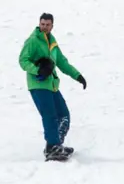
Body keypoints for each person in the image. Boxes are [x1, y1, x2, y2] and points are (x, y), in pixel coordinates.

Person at [18, 13, 86, 161]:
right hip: (38, 84)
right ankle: (52, 146)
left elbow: (61, 62)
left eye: (47, 25)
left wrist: (78, 76)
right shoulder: (33, 41)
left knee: (64, 115)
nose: (44, 27)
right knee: (50, 115)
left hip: (52, 85)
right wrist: (37, 69)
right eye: (42, 24)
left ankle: (56, 144)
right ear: (39, 24)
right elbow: (23, 60)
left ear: (52, 26)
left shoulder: (52, 42)